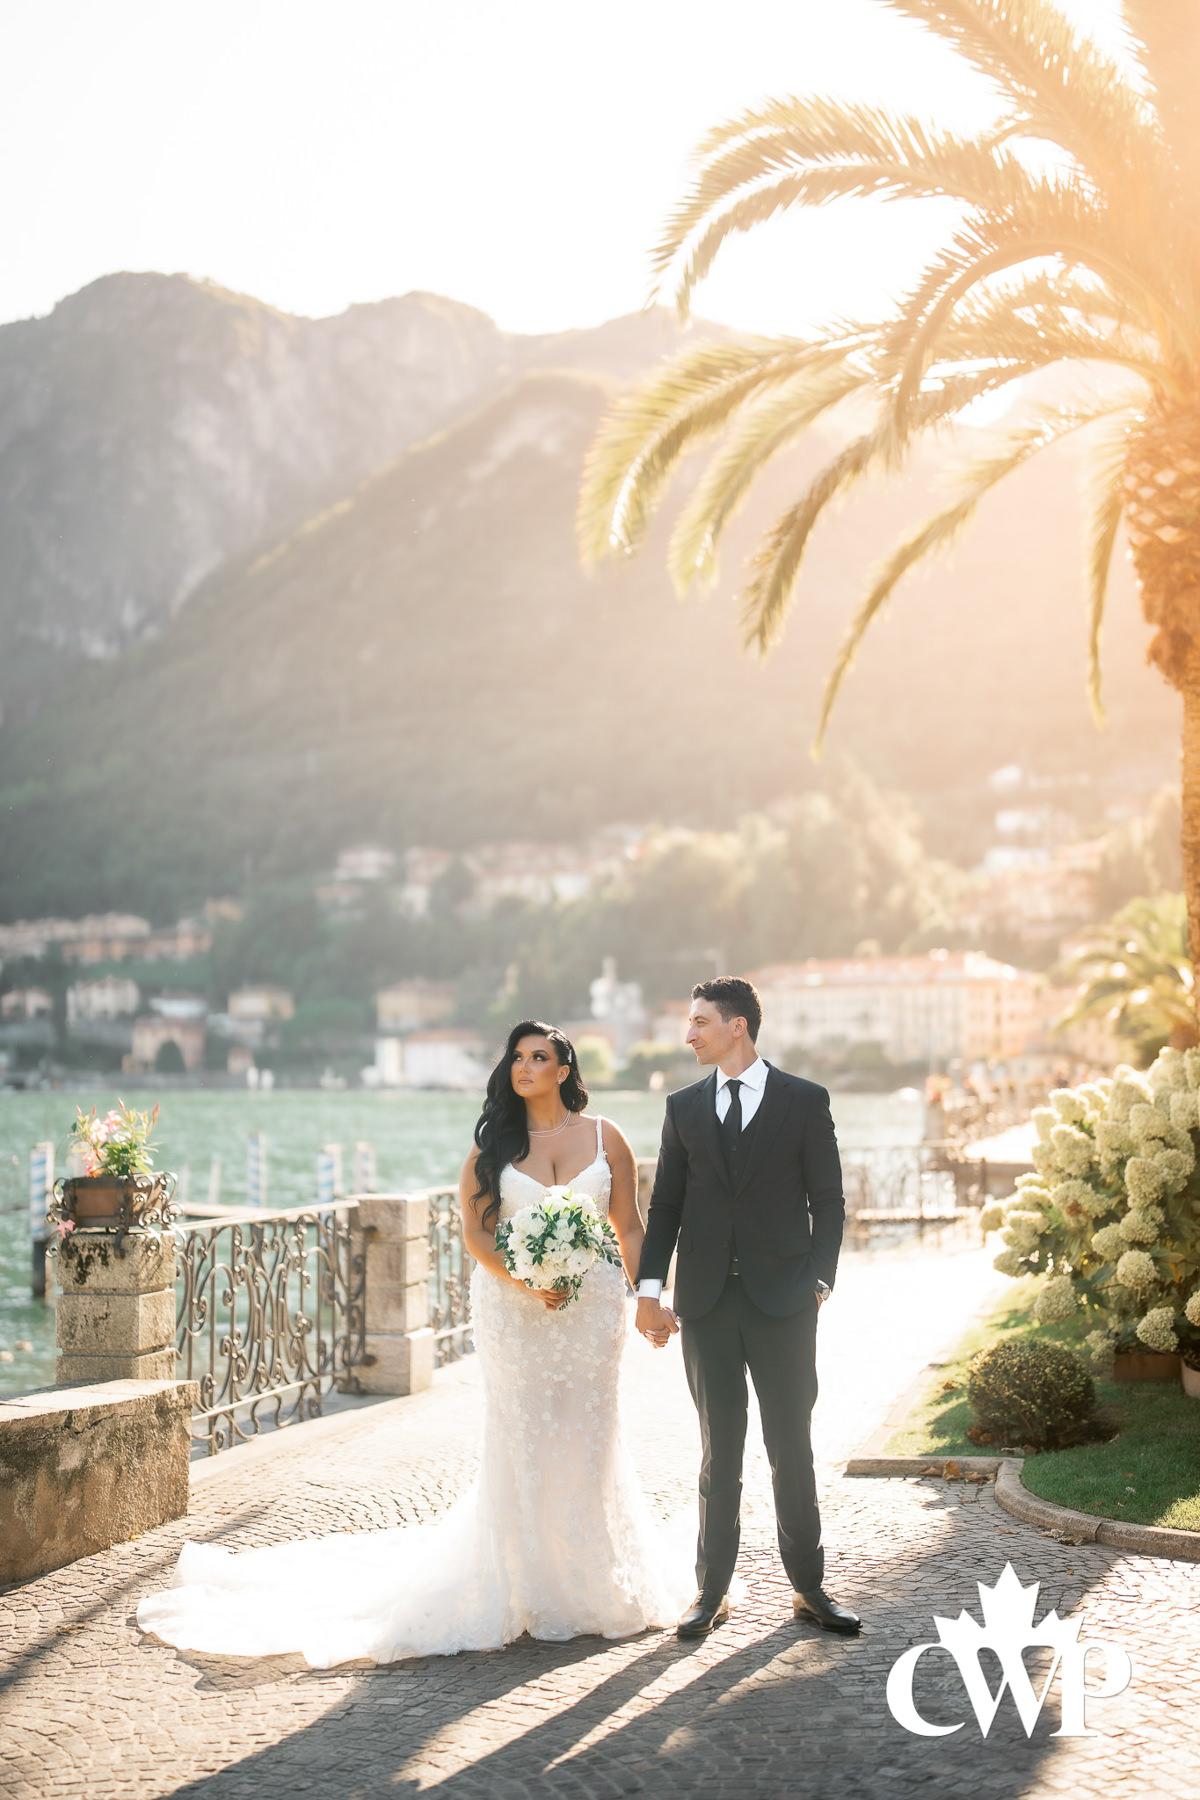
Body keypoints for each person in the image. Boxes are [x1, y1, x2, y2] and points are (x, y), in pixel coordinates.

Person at [136, 1020, 689, 1667]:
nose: (525, 1067)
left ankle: (595, 1573)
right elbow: (480, 1239)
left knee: (591, 1432)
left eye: (539, 1057)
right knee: (526, 1433)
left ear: (565, 1069)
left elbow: (628, 1226)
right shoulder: (493, 1152)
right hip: (516, 1310)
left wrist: (648, 1295)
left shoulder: (607, 1137)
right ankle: (528, 1582)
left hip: (592, 1312)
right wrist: (527, 1279)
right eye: (516, 1057)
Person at [635, 976, 861, 1640]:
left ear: (738, 1026)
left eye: (700, 1021)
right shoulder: (682, 1108)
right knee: (719, 1451)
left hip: (785, 1302)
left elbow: (830, 1199)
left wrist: (821, 1281)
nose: (689, 1034)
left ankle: (810, 1587)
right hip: (705, 1303)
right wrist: (649, 1292)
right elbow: (666, 1207)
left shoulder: (803, 1101)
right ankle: (711, 1592)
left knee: (791, 1446)